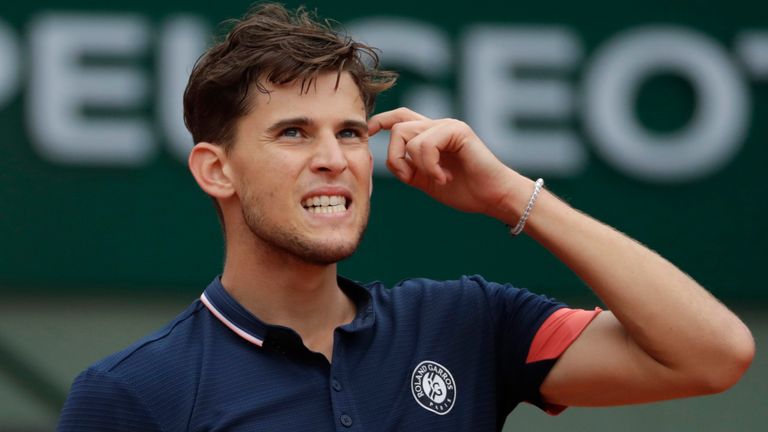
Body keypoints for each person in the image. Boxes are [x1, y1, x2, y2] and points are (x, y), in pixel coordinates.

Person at [57, 3, 754, 431]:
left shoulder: (467, 323)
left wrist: (511, 196)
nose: (335, 159)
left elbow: (714, 354)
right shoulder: (133, 393)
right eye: (294, 133)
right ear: (217, 169)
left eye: (352, 133)